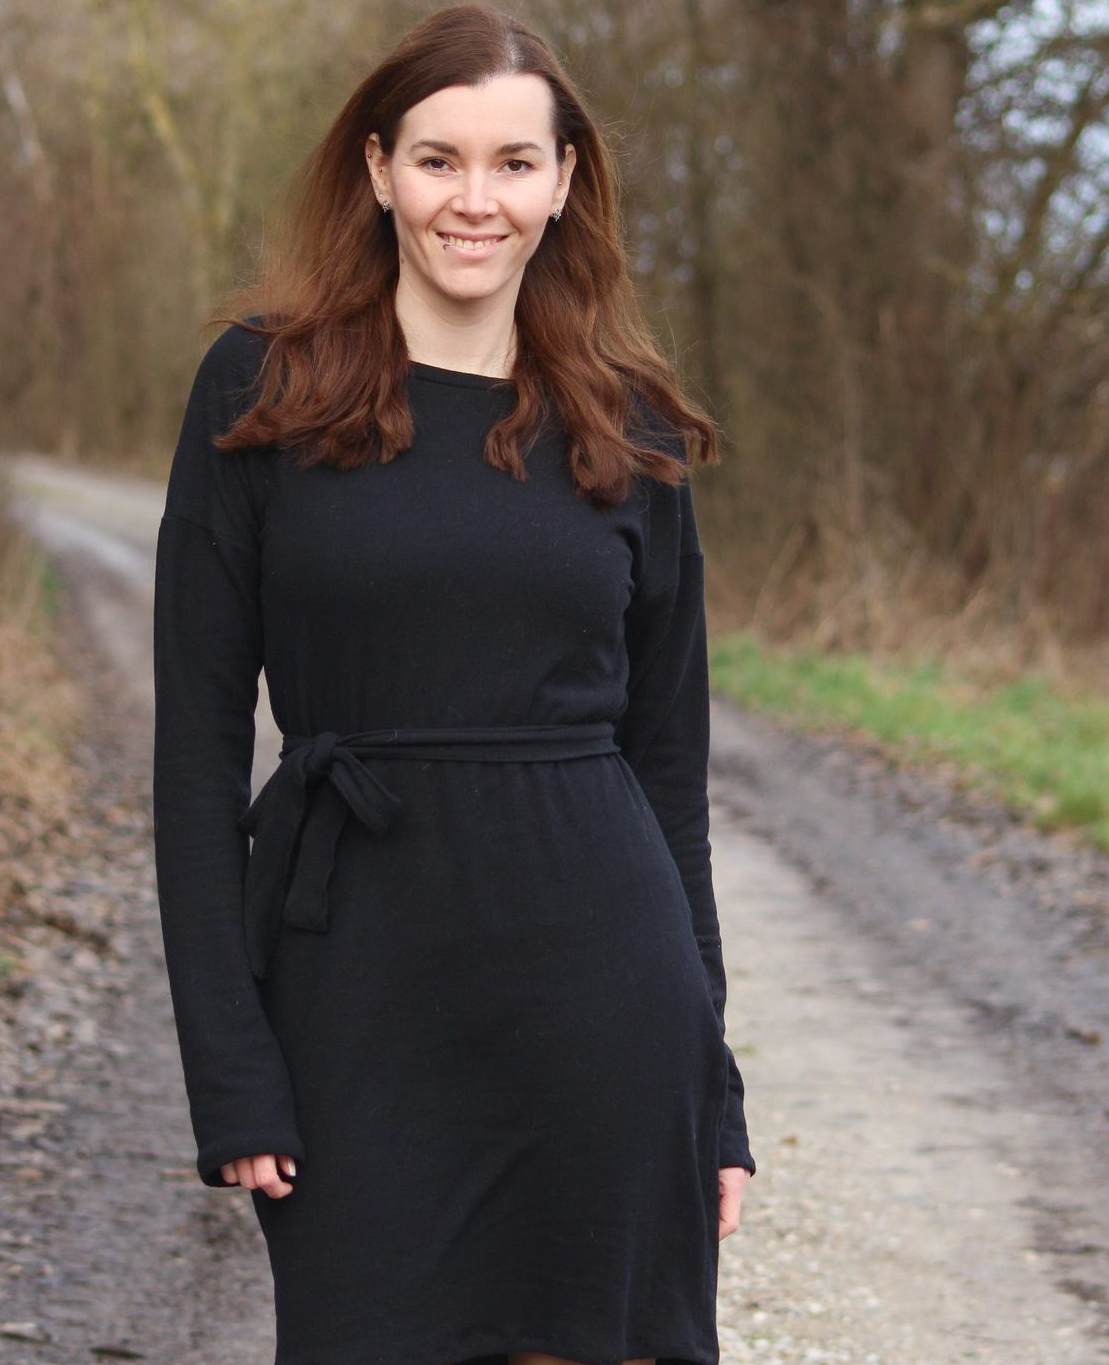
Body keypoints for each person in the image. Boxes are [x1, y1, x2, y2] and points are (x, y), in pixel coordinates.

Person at [151, 6, 756, 1365]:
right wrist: (229, 1063)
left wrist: (712, 1086)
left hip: (604, 989)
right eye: (438, 160)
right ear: (379, 170)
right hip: (353, 991)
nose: (473, 200)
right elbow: (194, 757)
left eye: (512, 163)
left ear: (563, 182)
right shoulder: (261, 387)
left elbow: (670, 782)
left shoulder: (629, 422)